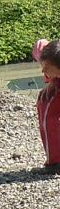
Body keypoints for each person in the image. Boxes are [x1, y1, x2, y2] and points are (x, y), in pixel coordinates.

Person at [33, 39, 60, 171]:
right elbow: (40, 44)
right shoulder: (45, 51)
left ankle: (56, 162)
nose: (43, 70)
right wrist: (52, 83)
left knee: (49, 117)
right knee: (43, 103)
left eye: (47, 68)